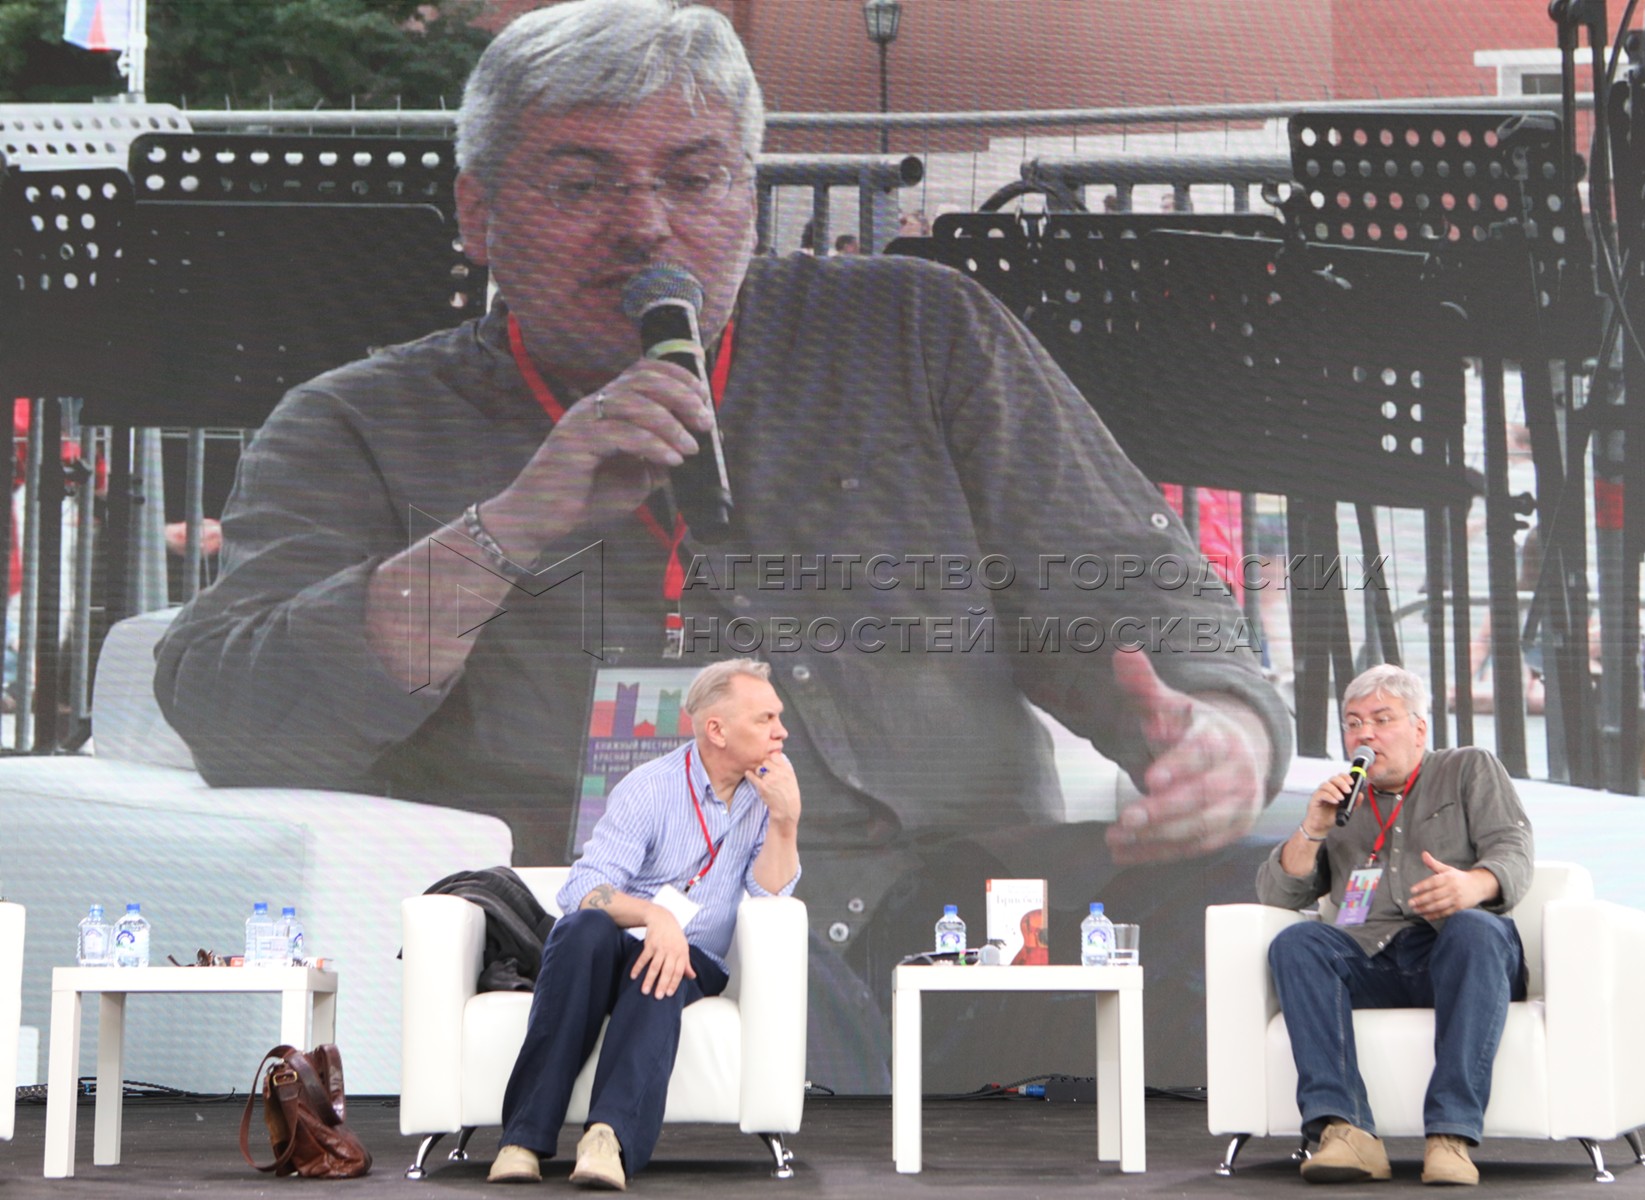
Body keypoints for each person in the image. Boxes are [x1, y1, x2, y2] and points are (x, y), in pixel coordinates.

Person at [154, 0, 1291, 1089]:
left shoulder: (919, 331)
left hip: (965, 901)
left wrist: (1220, 739)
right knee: (738, 998)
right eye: (581, 184)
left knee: (1291, 927)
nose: (646, 224)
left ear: (748, 194)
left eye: (694, 178)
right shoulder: (358, 423)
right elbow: (235, 712)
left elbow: (1146, 603)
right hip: (638, 924)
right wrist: (510, 528)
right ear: (478, 212)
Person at [489, 658, 799, 1188]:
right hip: (617, 945)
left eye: (779, 717)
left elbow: (769, 892)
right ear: (717, 730)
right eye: (765, 718)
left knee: (665, 968)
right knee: (581, 929)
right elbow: (583, 889)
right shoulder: (651, 787)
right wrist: (655, 915)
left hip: (695, 958)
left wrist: (785, 820)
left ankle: (606, 1138)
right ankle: (521, 1140)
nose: (781, 731)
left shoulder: (766, 792)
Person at [1256, 665, 1533, 1186]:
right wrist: (1312, 829)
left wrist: (1473, 886)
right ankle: (1346, 1132)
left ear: (1419, 729)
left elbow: (1514, 850)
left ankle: (1450, 1136)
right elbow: (1279, 894)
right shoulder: (1341, 802)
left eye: (1381, 720)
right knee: (1298, 942)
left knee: (1474, 931)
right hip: (1372, 958)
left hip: (1456, 953)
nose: (1365, 735)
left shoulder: (1468, 768)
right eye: (1353, 723)